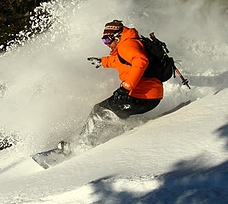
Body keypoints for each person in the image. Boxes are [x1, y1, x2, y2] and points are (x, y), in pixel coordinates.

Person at [61, 20, 163, 153]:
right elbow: (120, 60)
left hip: (141, 96)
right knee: (110, 114)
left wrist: (126, 87)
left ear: (117, 37)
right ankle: (102, 140)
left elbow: (141, 61)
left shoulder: (127, 45)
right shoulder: (126, 44)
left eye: (107, 40)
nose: (106, 44)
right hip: (149, 96)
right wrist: (102, 61)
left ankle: (79, 147)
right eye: (104, 41)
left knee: (98, 111)